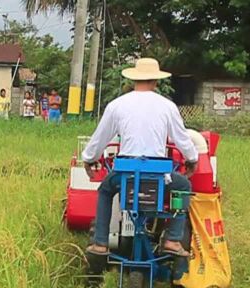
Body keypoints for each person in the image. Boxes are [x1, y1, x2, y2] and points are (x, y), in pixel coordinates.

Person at [82, 58, 199, 257]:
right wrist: (192, 159)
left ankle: (100, 242)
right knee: (183, 187)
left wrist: (89, 158)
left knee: (105, 190)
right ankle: (172, 239)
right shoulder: (167, 106)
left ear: (134, 80)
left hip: (125, 173)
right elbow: (182, 139)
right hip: (159, 174)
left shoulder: (117, 105)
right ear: (155, 81)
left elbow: (100, 138)